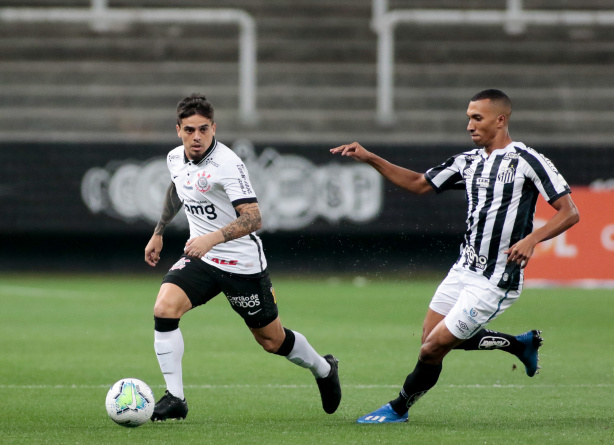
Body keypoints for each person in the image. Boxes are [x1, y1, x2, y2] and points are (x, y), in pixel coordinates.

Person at [330, 89, 579, 424]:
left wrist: (532, 239)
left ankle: (398, 408)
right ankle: (518, 345)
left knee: (431, 349)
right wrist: (371, 158)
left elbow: (569, 212)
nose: (469, 125)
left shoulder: (527, 161)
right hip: (464, 268)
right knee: (431, 339)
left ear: (500, 120)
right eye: (468, 118)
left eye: (477, 118)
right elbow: (419, 183)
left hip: (497, 277)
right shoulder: (468, 162)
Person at [144, 94, 341, 421]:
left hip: (241, 264)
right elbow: (177, 189)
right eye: (189, 130)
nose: (196, 137)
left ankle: (323, 368)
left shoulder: (228, 164)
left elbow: (253, 218)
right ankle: (175, 398)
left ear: (213, 128)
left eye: (203, 129)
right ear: (178, 130)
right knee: (164, 307)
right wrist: (159, 230)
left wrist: (213, 237)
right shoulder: (175, 158)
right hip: (202, 260)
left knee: (271, 340)